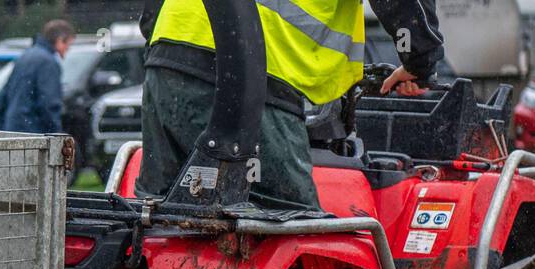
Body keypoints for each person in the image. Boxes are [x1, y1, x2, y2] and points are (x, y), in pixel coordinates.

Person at [135, 0, 444, 211]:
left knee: (165, 223)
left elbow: (150, 17)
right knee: (293, 236)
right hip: (254, 78)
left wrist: (168, 56)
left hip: (165, 68)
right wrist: (420, 61)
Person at [0, 19, 76, 135]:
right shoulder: (48, 62)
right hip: (34, 131)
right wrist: (56, 134)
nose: (67, 50)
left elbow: (3, 94)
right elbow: (49, 103)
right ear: (60, 40)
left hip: (12, 127)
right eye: (68, 45)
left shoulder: (25, 56)